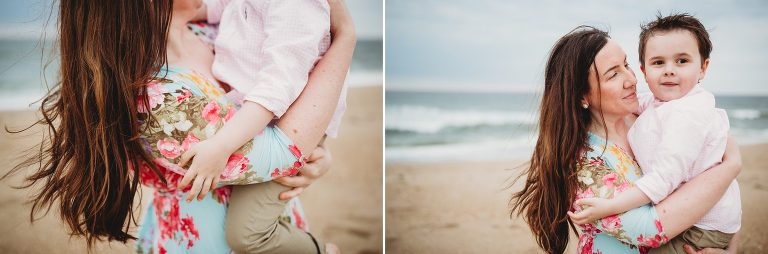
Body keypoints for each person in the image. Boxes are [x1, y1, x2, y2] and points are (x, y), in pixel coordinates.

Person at [5, 0, 355, 253]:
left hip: (270, 211)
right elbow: (282, 151)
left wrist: (319, 154)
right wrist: (346, 37)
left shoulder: (204, 32)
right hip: (209, 241)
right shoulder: (155, 98)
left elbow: (296, 90)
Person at [509, 26, 741, 254]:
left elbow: (709, 158)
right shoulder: (584, 164)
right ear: (582, 96)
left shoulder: (652, 112)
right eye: (613, 74)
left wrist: (729, 245)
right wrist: (731, 167)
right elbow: (650, 229)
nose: (631, 79)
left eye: (626, 65)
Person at [174, 0, 348, 253]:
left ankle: (324, 251)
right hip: (253, 114)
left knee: (248, 234)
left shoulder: (296, 5)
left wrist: (221, 146)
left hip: (287, 122)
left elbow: (278, 85)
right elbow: (220, 6)